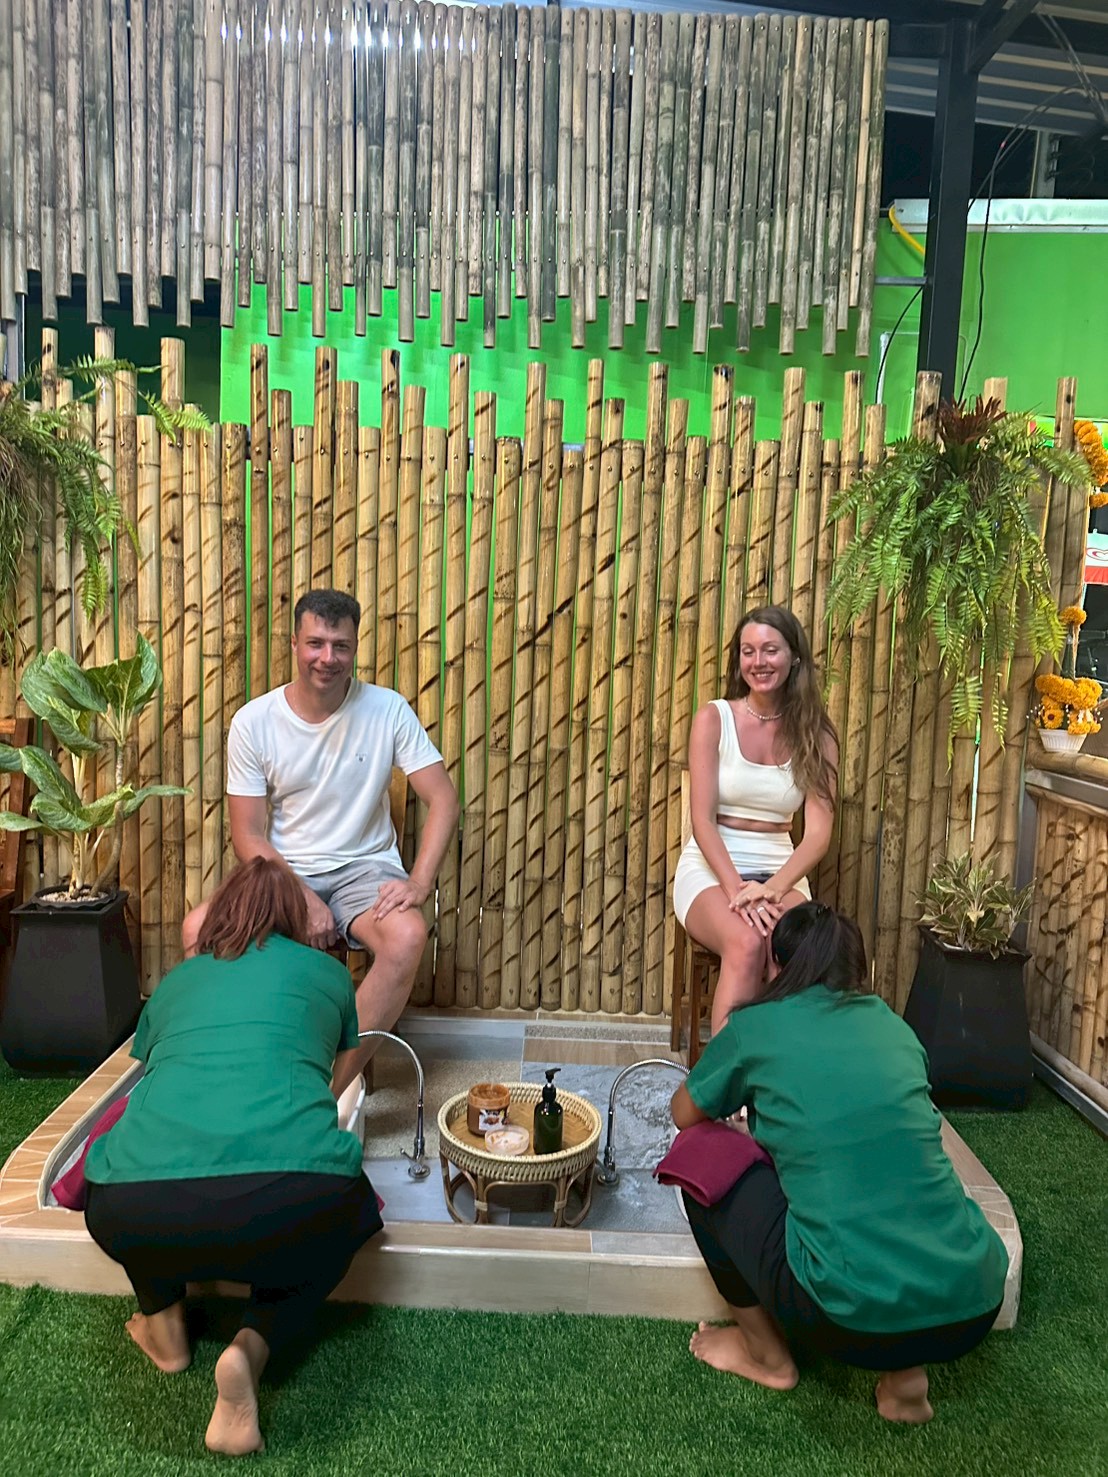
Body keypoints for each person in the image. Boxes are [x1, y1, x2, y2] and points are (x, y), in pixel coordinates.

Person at [84, 858, 384, 1456]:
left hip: (131, 1207)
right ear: (297, 921)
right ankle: (252, 1343)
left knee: (141, 1172)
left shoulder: (176, 983)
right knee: (349, 1215)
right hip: (288, 1200)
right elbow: (328, 1064)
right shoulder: (326, 975)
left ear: (220, 915)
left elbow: (151, 1066)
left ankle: (164, 1325)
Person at [670, 902, 1009, 1424]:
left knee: (696, 1156)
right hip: (973, 1301)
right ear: (860, 970)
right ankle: (904, 1379)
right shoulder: (896, 1031)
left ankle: (767, 1358)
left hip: (847, 1318)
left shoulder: (756, 1026)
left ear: (776, 966)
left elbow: (685, 1112)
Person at [183, 588, 459, 1096]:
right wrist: (301, 895)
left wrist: (419, 883)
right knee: (199, 930)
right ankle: (234, 1073)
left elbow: (442, 798)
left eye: (341, 646)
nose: (328, 658)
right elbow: (247, 834)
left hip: (365, 868)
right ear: (293, 643)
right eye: (316, 643)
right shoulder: (254, 721)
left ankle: (322, 1091)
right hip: (285, 870)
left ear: (355, 647)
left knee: (407, 938)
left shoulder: (387, 709)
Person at [673, 605, 838, 1035]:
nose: (758, 662)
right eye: (748, 651)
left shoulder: (817, 733)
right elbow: (702, 820)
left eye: (770, 650)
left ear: (794, 657)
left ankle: (772, 1078)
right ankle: (722, 1085)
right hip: (712, 868)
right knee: (747, 943)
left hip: (781, 871)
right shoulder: (714, 718)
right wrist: (740, 892)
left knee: (786, 948)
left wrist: (771, 890)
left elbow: (818, 834)